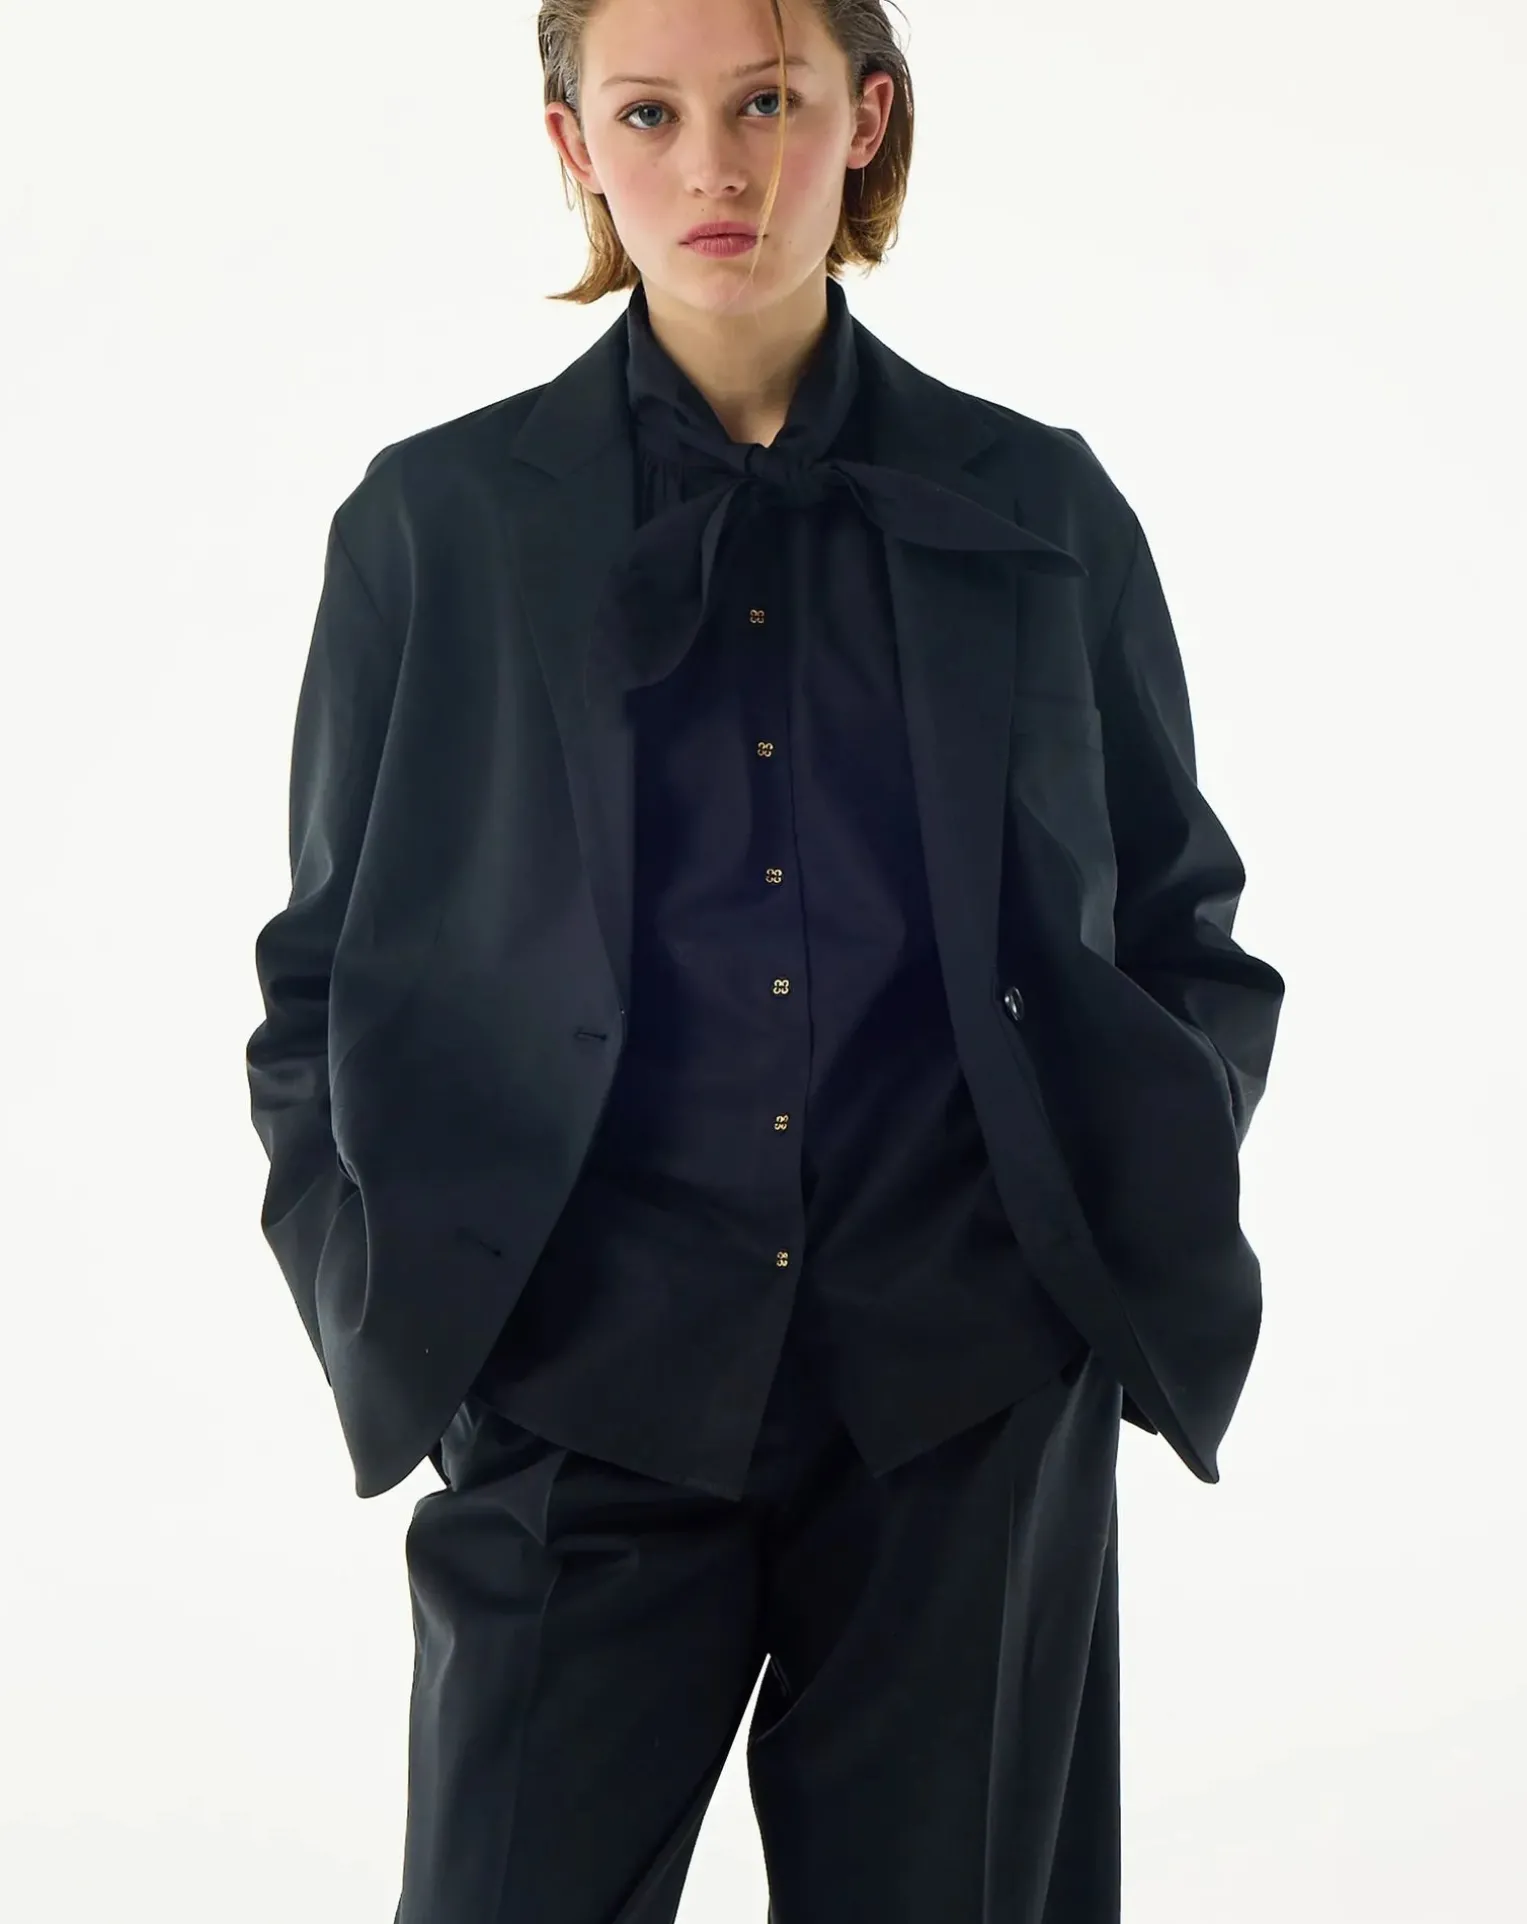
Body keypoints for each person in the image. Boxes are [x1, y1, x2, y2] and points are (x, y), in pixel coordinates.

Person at [244, 0, 1286, 1916]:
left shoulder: (1038, 505)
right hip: (576, 1386)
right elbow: (322, 978)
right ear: (574, 143)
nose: (714, 167)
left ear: (863, 118)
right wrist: (406, 1309)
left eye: (769, 101)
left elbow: (1173, 926)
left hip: (960, 1399)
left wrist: (1076, 1267)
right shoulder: (435, 526)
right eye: (649, 113)